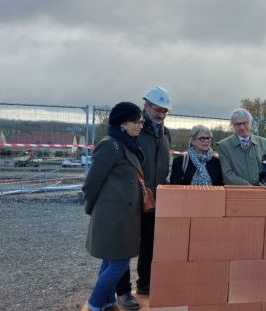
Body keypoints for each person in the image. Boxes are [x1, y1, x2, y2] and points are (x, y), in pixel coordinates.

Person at [82, 102, 145, 311]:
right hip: (112, 218)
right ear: (122, 123)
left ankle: (108, 302)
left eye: (141, 121)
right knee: (119, 264)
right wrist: (92, 208)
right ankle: (94, 304)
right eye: (135, 121)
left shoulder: (127, 143)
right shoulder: (110, 145)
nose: (140, 125)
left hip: (123, 217)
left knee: (110, 262)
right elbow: (91, 183)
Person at [115, 86, 171, 309]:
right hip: (132, 196)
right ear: (145, 106)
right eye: (157, 109)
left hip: (155, 197)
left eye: (165, 111)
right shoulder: (135, 131)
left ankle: (145, 284)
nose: (161, 114)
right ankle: (122, 291)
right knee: (125, 245)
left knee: (150, 242)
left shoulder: (165, 133)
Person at [217, 108, 266, 185]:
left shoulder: (263, 142)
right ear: (232, 125)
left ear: (250, 123)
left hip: (263, 192)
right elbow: (227, 174)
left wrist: (263, 185)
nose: (242, 127)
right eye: (238, 124)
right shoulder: (223, 146)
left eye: (244, 123)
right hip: (238, 193)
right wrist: (248, 188)